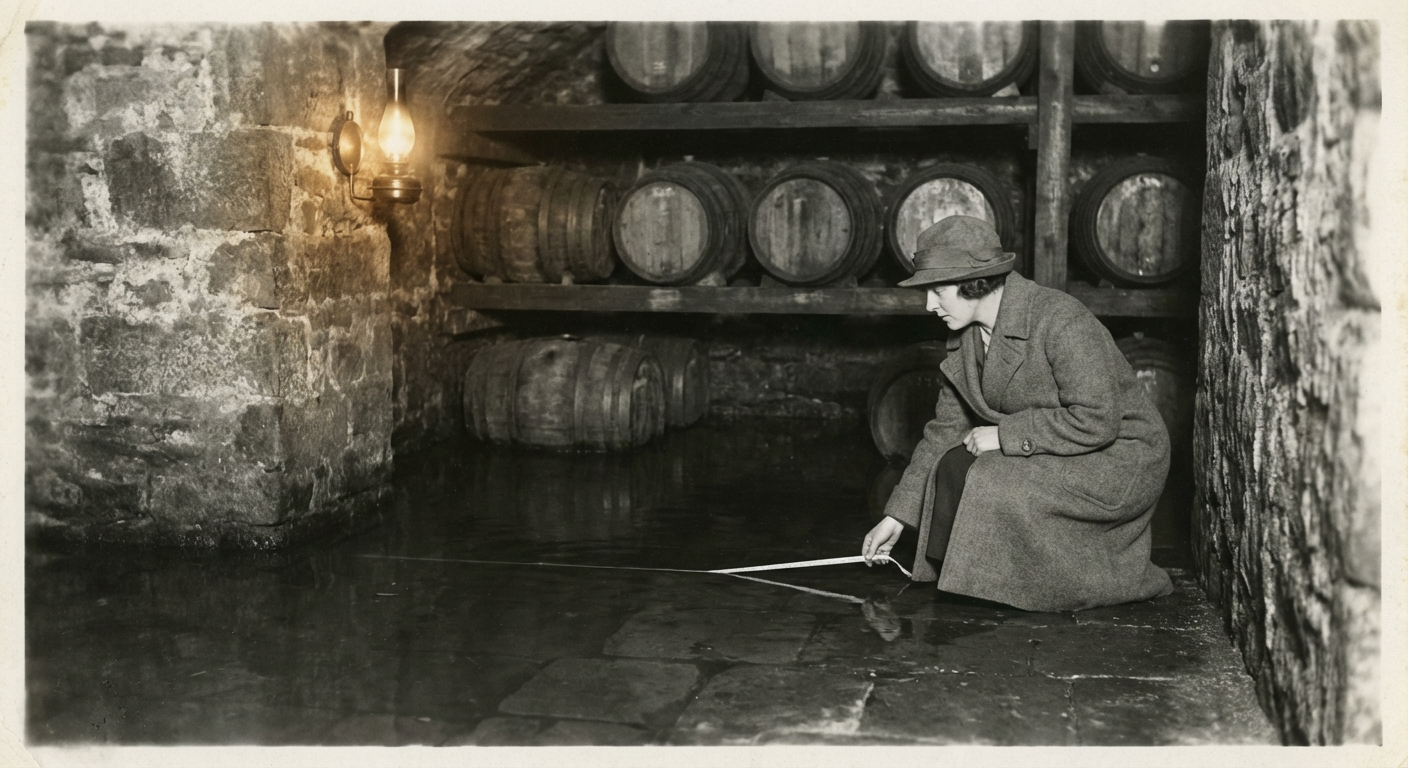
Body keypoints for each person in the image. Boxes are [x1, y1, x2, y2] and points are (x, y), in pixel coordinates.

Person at [861, 215, 1173, 612]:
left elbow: (1097, 419)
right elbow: (944, 431)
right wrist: (897, 517)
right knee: (952, 466)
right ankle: (974, 575)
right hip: (1060, 440)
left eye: (937, 291)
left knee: (991, 480)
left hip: (1118, 456)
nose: (928, 306)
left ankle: (1084, 579)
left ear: (975, 283)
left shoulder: (1061, 320)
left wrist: (1004, 435)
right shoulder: (965, 336)